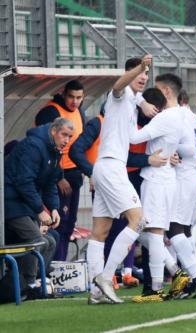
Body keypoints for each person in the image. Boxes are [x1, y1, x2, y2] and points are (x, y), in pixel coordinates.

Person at [86, 54, 153, 305]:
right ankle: (104, 277)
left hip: (108, 167)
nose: (143, 77)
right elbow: (117, 85)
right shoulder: (120, 94)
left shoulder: (133, 101)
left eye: (146, 74)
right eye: (140, 73)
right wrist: (138, 68)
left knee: (100, 232)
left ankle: (95, 294)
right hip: (112, 168)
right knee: (138, 221)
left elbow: (134, 138)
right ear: (130, 73)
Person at [129, 74, 188, 302]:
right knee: (150, 232)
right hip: (166, 179)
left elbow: (134, 138)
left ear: (165, 92)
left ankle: (154, 289)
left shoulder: (165, 118)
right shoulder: (177, 116)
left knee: (152, 233)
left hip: (156, 179)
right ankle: (175, 271)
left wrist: (134, 105)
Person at [4, 118, 73, 290]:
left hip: (24, 203)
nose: (66, 140)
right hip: (10, 202)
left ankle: (34, 279)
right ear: (53, 131)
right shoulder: (33, 146)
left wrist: (54, 208)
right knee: (36, 239)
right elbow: (24, 182)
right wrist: (39, 210)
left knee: (49, 240)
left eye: (69, 137)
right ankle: (29, 284)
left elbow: (50, 183)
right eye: (64, 135)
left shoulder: (55, 151)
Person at [168, 87, 196, 300]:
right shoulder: (193, 117)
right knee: (184, 231)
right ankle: (188, 278)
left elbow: (183, 146)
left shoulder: (179, 116)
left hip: (184, 177)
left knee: (173, 228)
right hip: (195, 177)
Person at [35, 80, 85, 261]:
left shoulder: (80, 112)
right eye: (71, 96)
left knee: (69, 224)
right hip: (57, 176)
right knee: (58, 223)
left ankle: (61, 266)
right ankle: (53, 268)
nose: (74, 101)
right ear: (64, 94)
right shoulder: (51, 112)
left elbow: (80, 145)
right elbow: (49, 147)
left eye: (79, 97)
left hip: (74, 175)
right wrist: (59, 177)